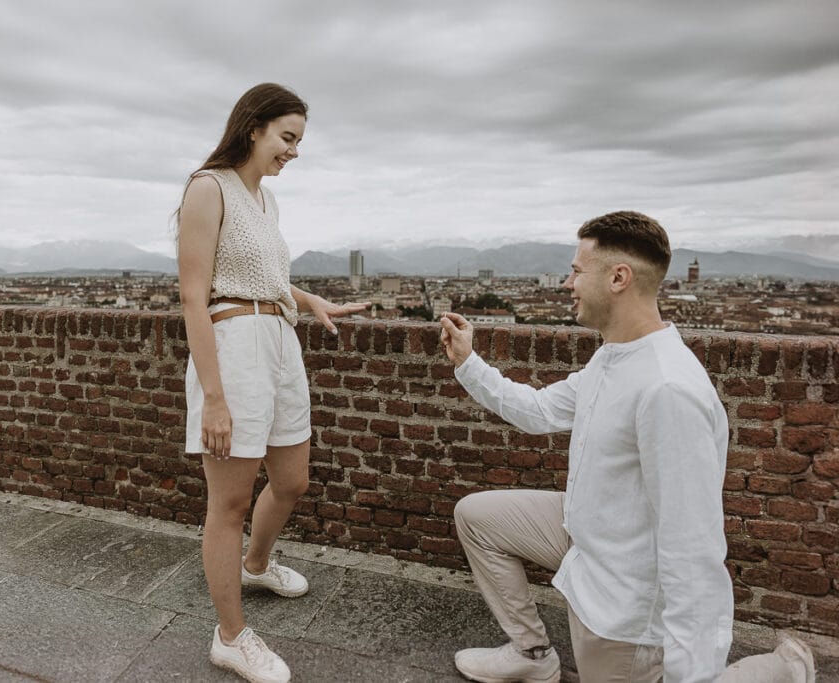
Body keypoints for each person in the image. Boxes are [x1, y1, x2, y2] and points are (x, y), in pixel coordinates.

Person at [439, 211, 816, 683]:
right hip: (587, 534)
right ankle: (532, 654)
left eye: (577, 270)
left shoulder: (667, 388)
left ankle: (783, 670)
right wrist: (468, 362)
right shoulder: (613, 355)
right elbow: (539, 411)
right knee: (477, 518)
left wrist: (690, 674)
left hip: (627, 596)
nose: (566, 282)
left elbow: (692, 552)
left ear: (619, 277)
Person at [176, 82, 368, 683]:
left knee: (292, 480)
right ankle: (230, 637)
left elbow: (263, 276)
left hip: (280, 343)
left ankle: (256, 565)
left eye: (299, 141)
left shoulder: (265, 201)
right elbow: (193, 296)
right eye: (288, 137)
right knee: (228, 503)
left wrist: (310, 300)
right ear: (253, 127)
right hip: (234, 351)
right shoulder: (208, 188)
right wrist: (214, 396)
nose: (294, 151)